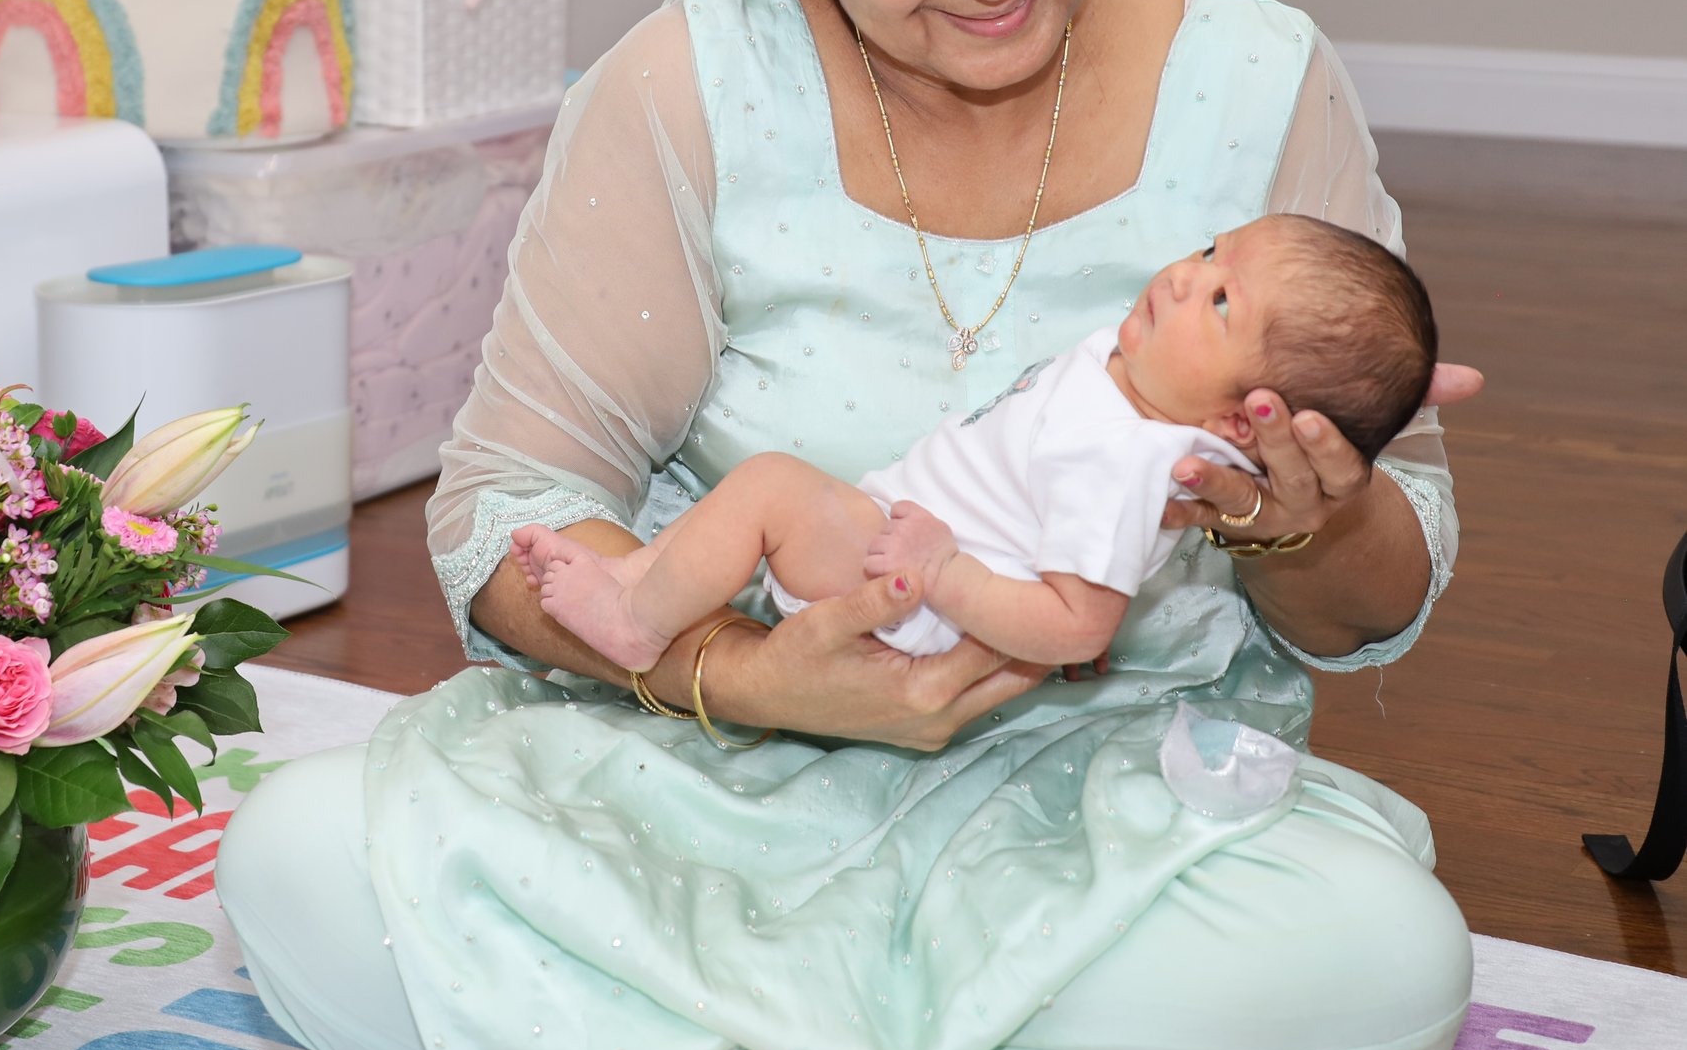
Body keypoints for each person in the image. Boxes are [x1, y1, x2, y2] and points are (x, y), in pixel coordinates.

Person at [216, 0, 1482, 1050]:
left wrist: (1307, 523)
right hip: (718, 780)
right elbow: (505, 509)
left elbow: (1381, 593)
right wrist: (739, 676)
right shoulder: (690, 79)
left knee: (1375, 961)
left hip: (1100, 799)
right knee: (300, 857)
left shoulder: (1265, 80)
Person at [513, 214, 1438, 670]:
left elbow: (1080, 627)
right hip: (904, 540)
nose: (1185, 280)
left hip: (922, 598)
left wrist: (947, 573)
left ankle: (635, 626)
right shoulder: (1140, 376)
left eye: (1222, 302)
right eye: (1207, 254)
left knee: (764, 490)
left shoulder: (1125, 456)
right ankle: (632, 581)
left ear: (1246, 419)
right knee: (753, 497)